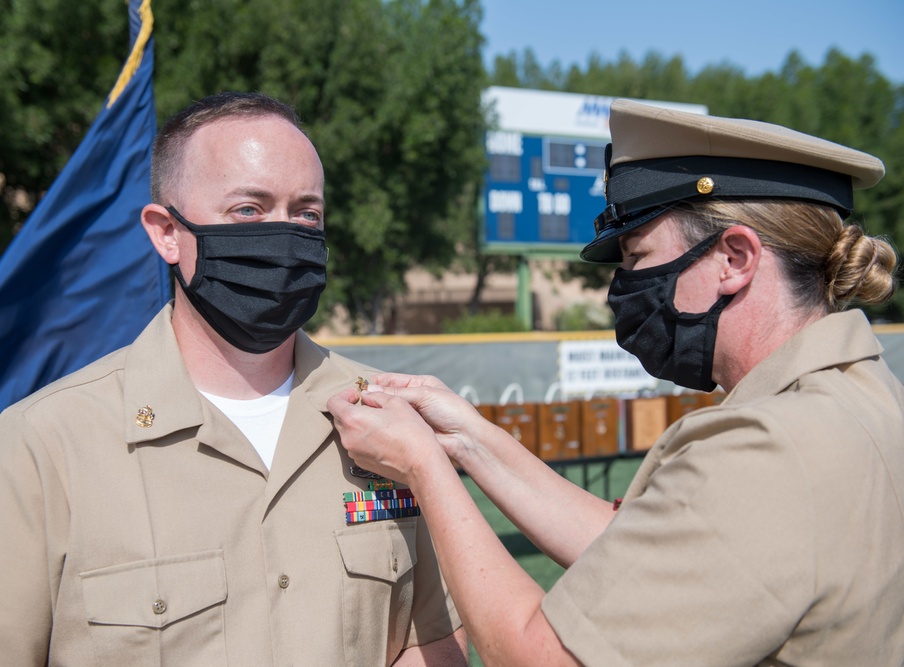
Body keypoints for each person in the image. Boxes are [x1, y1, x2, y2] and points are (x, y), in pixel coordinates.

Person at [327, 99, 904, 666]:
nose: (624, 287)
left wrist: (425, 468)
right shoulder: (862, 395)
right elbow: (649, 554)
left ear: (734, 258)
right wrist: (469, 440)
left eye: (638, 256)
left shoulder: (769, 448)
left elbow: (540, 656)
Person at [0, 92, 466, 666]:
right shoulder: (48, 443)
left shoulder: (388, 418)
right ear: (166, 232)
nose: (285, 234)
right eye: (249, 210)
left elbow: (436, 638)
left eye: (307, 213)